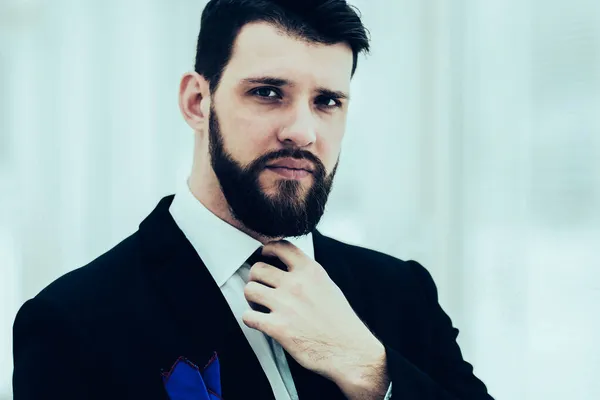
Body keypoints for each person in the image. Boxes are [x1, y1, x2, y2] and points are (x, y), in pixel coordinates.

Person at [12, 0, 493, 399]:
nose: (302, 132)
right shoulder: (70, 324)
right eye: (268, 92)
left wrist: (369, 370)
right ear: (197, 102)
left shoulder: (402, 292)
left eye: (327, 101)